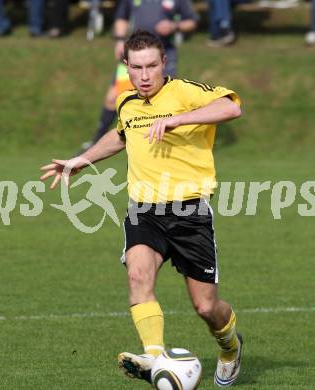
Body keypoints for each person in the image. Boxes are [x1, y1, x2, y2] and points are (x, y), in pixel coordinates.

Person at [40, 30, 243, 387]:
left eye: (152, 65)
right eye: (137, 67)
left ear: (164, 62)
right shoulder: (127, 103)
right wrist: (81, 161)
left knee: (207, 308)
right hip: (144, 210)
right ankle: (153, 356)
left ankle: (230, 347)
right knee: (137, 275)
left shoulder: (183, 92)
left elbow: (232, 107)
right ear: (126, 67)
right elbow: (121, 135)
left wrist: (178, 119)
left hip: (189, 213)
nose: (145, 75)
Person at [80, 0, 197, 150]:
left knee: (163, 101)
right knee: (112, 98)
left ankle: (163, 143)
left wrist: (174, 26)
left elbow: (191, 21)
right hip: (134, 55)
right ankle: (96, 141)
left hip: (162, 56)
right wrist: (120, 39)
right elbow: (122, 16)